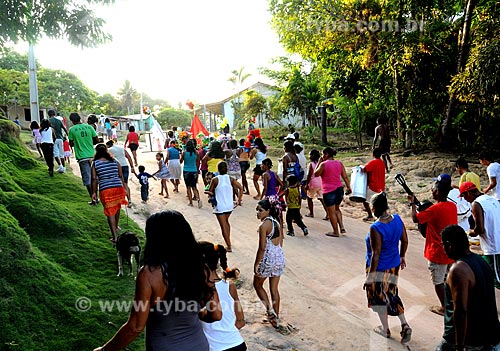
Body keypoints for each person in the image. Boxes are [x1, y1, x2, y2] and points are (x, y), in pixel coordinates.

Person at [93, 211, 222, 351]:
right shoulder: (202, 267)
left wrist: (105, 350)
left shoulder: (149, 274)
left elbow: (136, 326)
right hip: (199, 346)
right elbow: (216, 314)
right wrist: (194, 313)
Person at [436, 225, 500, 351]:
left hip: (470, 341)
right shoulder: (481, 261)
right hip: (491, 337)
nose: (443, 249)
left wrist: (459, 346)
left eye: (442, 245)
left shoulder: (458, 270)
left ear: (449, 245)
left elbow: (460, 311)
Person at [363, 192, 411, 343]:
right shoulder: (397, 219)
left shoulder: (376, 227)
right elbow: (405, 240)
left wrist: (370, 277)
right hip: (394, 265)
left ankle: (385, 329)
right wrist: (402, 255)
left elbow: (376, 254)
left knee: (379, 298)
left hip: (379, 268)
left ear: (375, 207)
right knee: (392, 294)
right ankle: (404, 324)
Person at [408, 174, 457, 316]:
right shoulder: (452, 206)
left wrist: (412, 204)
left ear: (438, 192)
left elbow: (415, 219)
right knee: (448, 279)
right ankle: (452, 302)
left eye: (434, 188)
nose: (432, 191)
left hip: (436, 252)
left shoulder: (434, 209)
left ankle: (444, 307)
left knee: (438, 282)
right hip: (450, 251)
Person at [198, 241, 247, 351]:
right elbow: (241, 320)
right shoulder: (230, 286)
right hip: (237, 343)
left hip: (217, 348)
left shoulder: (200, 289)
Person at [459, 181, 500, 288]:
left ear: (468, 193)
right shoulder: (491, 199)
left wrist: (470, 232)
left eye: (464, 196)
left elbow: (479, 229)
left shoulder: (476, 204)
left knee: (497, 279)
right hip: (495, 243)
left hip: (493, 247)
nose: (465, 200)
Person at [253, 198, 285, 329]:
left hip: (267, 258)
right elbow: (281, 240)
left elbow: (261, 248)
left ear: (267, 211)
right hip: (278, 257)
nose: (257, 213)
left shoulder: (263, 226)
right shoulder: (277, 222)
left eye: (260, 210)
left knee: (257, 284)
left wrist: (256, 264)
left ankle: (270, 311)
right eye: (257, 210)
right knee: (274, 289)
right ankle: (275, 316)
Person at [91, 144, 128, 243]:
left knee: (110, 212)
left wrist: (94, 192)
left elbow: (94, 179)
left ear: (97, 152)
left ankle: (115, 237)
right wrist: (124, 187)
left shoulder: (95, 163)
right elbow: (120, 175)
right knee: (117, 207)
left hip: (106, 189)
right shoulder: (115, 161)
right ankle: (116, 226)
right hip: (117, 187)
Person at [206, 162, 243, 253]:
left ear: (218, 169)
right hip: (229, 205)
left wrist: (209, 194)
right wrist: (239, 200)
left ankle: (229, 245)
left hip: (220, 205)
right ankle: (228, 241)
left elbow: (210, 191)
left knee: (223, 226)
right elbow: (241, 188)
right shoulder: (231, 179)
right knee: (226, 223)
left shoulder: (215, 179)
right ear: (227, 169)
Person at [314, 147, 351, 237]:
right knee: (337, 209)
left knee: (331, 212)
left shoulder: (323, 164)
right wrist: (348, 187)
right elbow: (345, 176)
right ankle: (341, 226)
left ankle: (335, 231)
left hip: (328, 190)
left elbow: (316, 174)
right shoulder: (339, 163)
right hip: (339, 189)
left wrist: (319, 162)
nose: (322, 156)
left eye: (323, 154)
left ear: (326, 154)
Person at [68, 113, 99, 204]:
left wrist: (78, 143)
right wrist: (89, 142)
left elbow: (71, 143)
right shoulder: (89, 127)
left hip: (82, 157)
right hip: (92, 156)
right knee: (94, 178)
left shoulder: (72, 130)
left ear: (72, 121)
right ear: (80, 118)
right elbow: (96, 140)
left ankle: (93, 199)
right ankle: (96, 197)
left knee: (87, 179)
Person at [106, 140, 136, 206]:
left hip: (116, 167)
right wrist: (132, 167)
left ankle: (119, 200)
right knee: (125, 184)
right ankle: (129, 200)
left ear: (108, 145)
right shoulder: (121, 148)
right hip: (125, 166)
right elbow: (129, 157)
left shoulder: (109, 150)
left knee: (117, 183)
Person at [360, 147, 386, 221]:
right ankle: (380, 217)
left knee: (365, 200)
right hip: (381, 186)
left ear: (373, 154)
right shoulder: (382, 163)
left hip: (373, 186)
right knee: (378, 203)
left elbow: (364, 169)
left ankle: (370, 215)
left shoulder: (373, 162)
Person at [305, 149, 328, 219]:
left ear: (312, 156)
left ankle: (311, 213)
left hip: (313, 183)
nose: (309, 156)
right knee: (322, 199)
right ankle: (328, 213)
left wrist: (307, 184)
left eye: (310, 155)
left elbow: (309, 175)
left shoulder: (311, 164)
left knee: (309, 198)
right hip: (320, 182)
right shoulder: (320, 164)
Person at [181, 139, 202, 208]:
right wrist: (197, 169)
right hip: (194, 170)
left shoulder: (184, 153)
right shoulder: (196, 153)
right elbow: (198, 161)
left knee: (188, 187)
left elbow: (181, 161)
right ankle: (198, 199)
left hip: (186, 171)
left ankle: (190, 202)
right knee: (194, 186)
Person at [48, 109, 69, 173]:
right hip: (60, 138)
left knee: (55, 154)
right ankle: (64, 168)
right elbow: (64, 128)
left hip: (53, 139)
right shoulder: (59, 121)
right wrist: (68, 136)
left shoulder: (49, 121)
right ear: (54, 114)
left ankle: (60, 166)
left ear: (49, 115)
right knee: (62, 154)